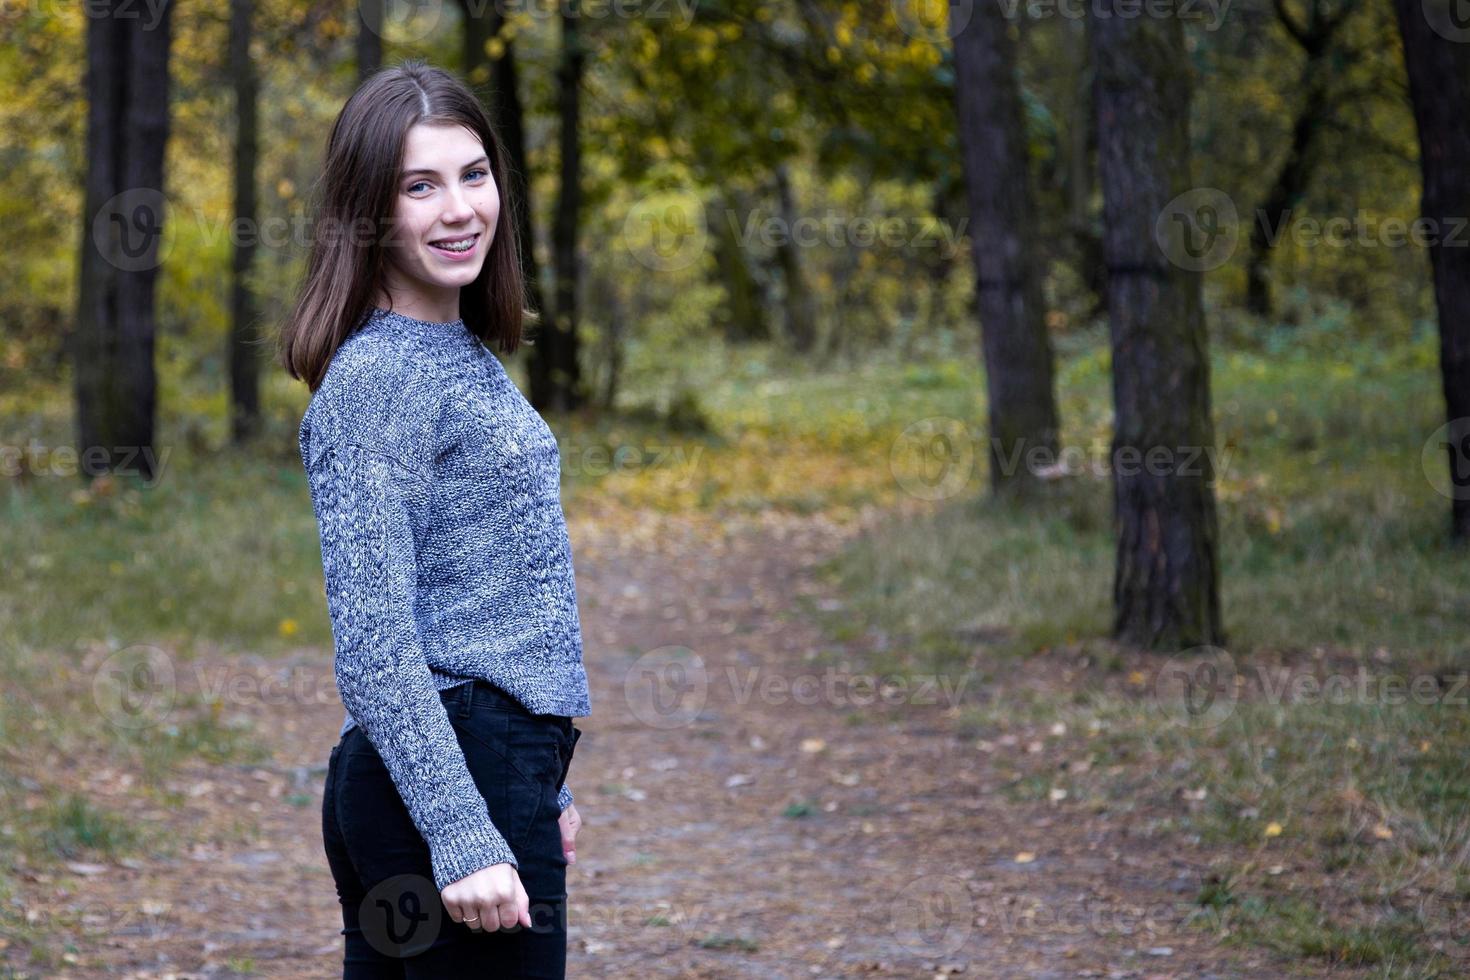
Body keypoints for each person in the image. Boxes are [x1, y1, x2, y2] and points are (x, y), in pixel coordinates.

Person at [277, 59, 590, 978]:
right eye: (421, 186)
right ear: (369, 210)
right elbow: (375, 641)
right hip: (451, 783)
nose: (460, 209)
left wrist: (545, 786)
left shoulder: (448, 350)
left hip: (486, 770)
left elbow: (487, 596)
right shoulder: (379, 379)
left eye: (474, 174)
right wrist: (466, 831)